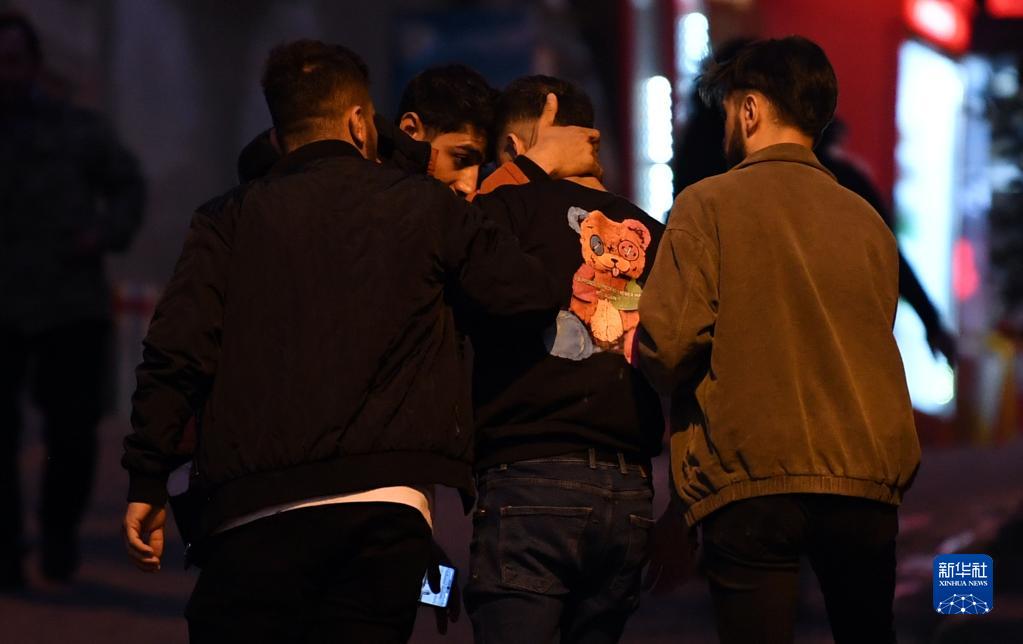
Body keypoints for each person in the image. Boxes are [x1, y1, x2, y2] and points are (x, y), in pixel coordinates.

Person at [120, 40, 601, 643]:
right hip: (387, 516)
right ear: (358, 121)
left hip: (250, 515)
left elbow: (175, 352)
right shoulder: (426, 208)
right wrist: (527, 172)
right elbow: (528, 289)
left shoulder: (228, 218)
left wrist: (147, 478)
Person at [638, 37, 921, 644]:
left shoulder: (707, 205)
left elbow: (669, 346)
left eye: (727, 109)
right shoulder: (866, 221)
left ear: (749, 109)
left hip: (752, 478)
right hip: (865, 477)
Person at [462, 75, 664, 643]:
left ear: (512, 147)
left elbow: (454, 240)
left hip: (528, 474)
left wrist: (523, 170)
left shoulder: (501, 208)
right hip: (629, 487)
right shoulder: (652, 232)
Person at [0, 11, 145, 589]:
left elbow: (127, 187)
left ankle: (58, 533)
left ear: (33, 66)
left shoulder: (76, 130)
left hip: (68, 304)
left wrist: (103, 235)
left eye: (13, 61)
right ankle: (6, 550)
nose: (4, 73)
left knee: (72, 434)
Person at [237, 63, 497, 198]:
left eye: (482, 167)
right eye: (460, 158)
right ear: (410, 129)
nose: (470, 185)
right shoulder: (359, 192)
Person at [817, 118, 957, 365]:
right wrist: (932, 322)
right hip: (843, 328)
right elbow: (890, 257)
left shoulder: (766, 184)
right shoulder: (850, 183)